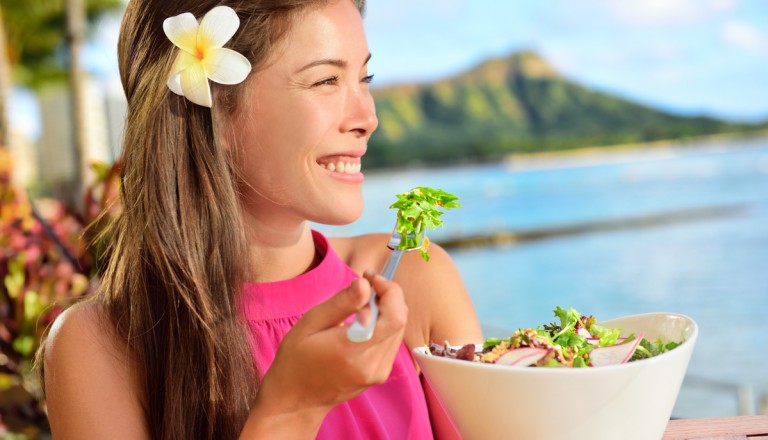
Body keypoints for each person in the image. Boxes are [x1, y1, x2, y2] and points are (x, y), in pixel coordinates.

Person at [39, 0, 482, 438]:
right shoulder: (98, 347)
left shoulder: (413, 279)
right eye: (326, 80)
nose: (368, 117)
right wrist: (289, 411)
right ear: (216, 110)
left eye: (364, 78)